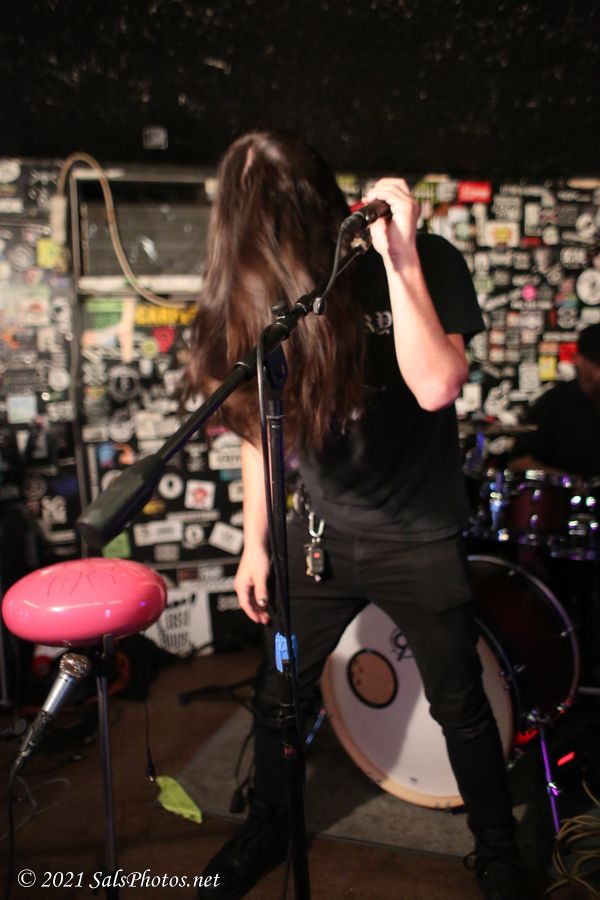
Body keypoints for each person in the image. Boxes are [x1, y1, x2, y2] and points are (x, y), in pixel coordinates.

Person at [185, 131, 527, 900]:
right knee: (279, 696)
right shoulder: (273, 292)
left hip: (418, 533)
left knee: (460, 706)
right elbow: (258, 427)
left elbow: (436, 385)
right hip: (319, 536)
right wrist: (254, 544)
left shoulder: (426, 259)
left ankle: (498, 851)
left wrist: (400, 260)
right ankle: (268, 824)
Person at [509, 324, 600, 481]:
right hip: (566, 495)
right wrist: (568, 481)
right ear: (577, 359)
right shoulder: (553, 403)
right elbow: (519, 462)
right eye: (597, 363)